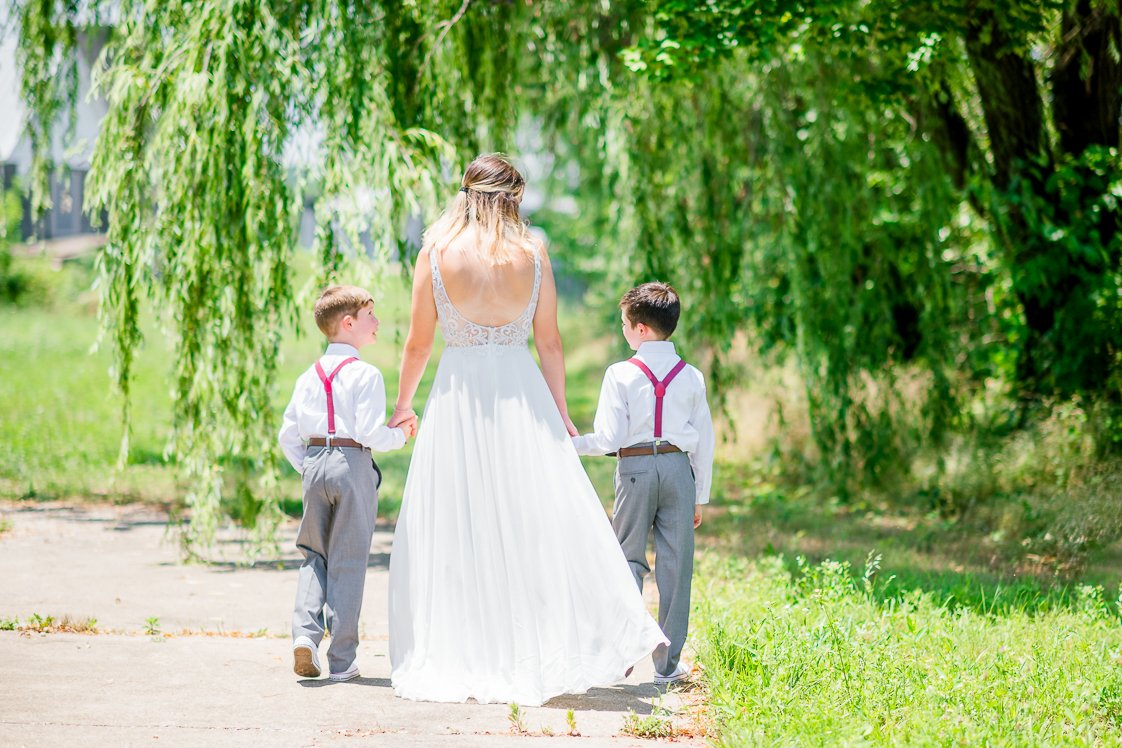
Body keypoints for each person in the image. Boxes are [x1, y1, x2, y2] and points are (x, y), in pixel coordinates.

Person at [386, 154, 667, 706]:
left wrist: (402, 405)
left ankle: (471, 650)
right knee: (538, 517)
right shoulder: (532, 251)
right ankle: (557, 642)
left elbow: (418, 343)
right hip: (521, 390)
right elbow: (550, 343)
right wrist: (559, 409)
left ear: (466, 193)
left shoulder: (437, 251)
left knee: (462, 521)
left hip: (460, 395)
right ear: (514, 196)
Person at [571, 282, 714, 685]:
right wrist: (698, 496)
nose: (622, 330)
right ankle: (667, 667)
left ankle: (622, 658)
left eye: (624, 323)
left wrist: (571, 445)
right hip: (678, 471)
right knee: (676, 566)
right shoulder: (693, 376)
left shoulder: (620, 374)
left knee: (628, 561)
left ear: (641, 329)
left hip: (634, 470)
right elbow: (704, 439)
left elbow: (609, 439)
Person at [278, 285, 415, 682]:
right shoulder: (365, 374)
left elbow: (288, 435)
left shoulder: (308, 376)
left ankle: (303, 636)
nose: (377, 322)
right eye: (370, 315)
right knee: (348, 561)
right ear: (349, 323)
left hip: (314, 463)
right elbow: (372, 433)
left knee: (312, 555)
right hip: (352, 463)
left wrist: (309, 468)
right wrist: (402, 434)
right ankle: (341, 661)